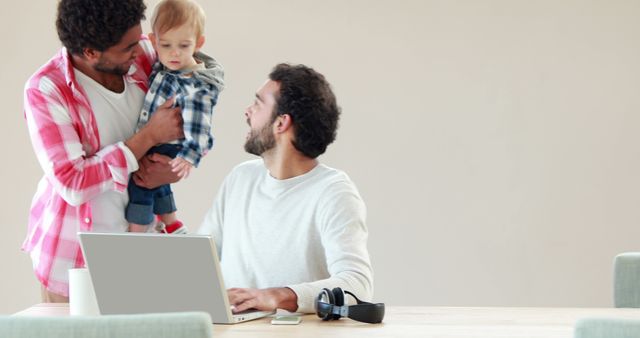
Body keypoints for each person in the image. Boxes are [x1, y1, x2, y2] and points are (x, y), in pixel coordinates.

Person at [23, 0, 183, 302]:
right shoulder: (46, 90)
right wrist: (147, 138)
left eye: (138, 40)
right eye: (127, 48)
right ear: (90, 52)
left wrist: (171, 167)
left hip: (144, 256)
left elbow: (182, 121)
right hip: (75, 268)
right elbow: (72, 182)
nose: (141, 50)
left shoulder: (143, 56)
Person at [197, 63, 373, 313]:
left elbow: (357, 285)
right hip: (230, 329)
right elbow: (200, 261)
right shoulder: (240, 178)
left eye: (258, 104)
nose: (247, 112)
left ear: (281, 123)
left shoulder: (333, 191)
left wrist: (278, 296)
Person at [126, 0, 224, 234]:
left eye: (183, 45)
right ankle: (172, 224)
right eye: (166, 45)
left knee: (139, 185)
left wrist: (189, 157)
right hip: (160, 140)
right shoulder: (166, 67)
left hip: (170, 144)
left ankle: (135, 235)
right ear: (153, 42)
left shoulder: (195, 85)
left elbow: (201, 127)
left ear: (198, 44)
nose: (174, 53)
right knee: (159, 184)